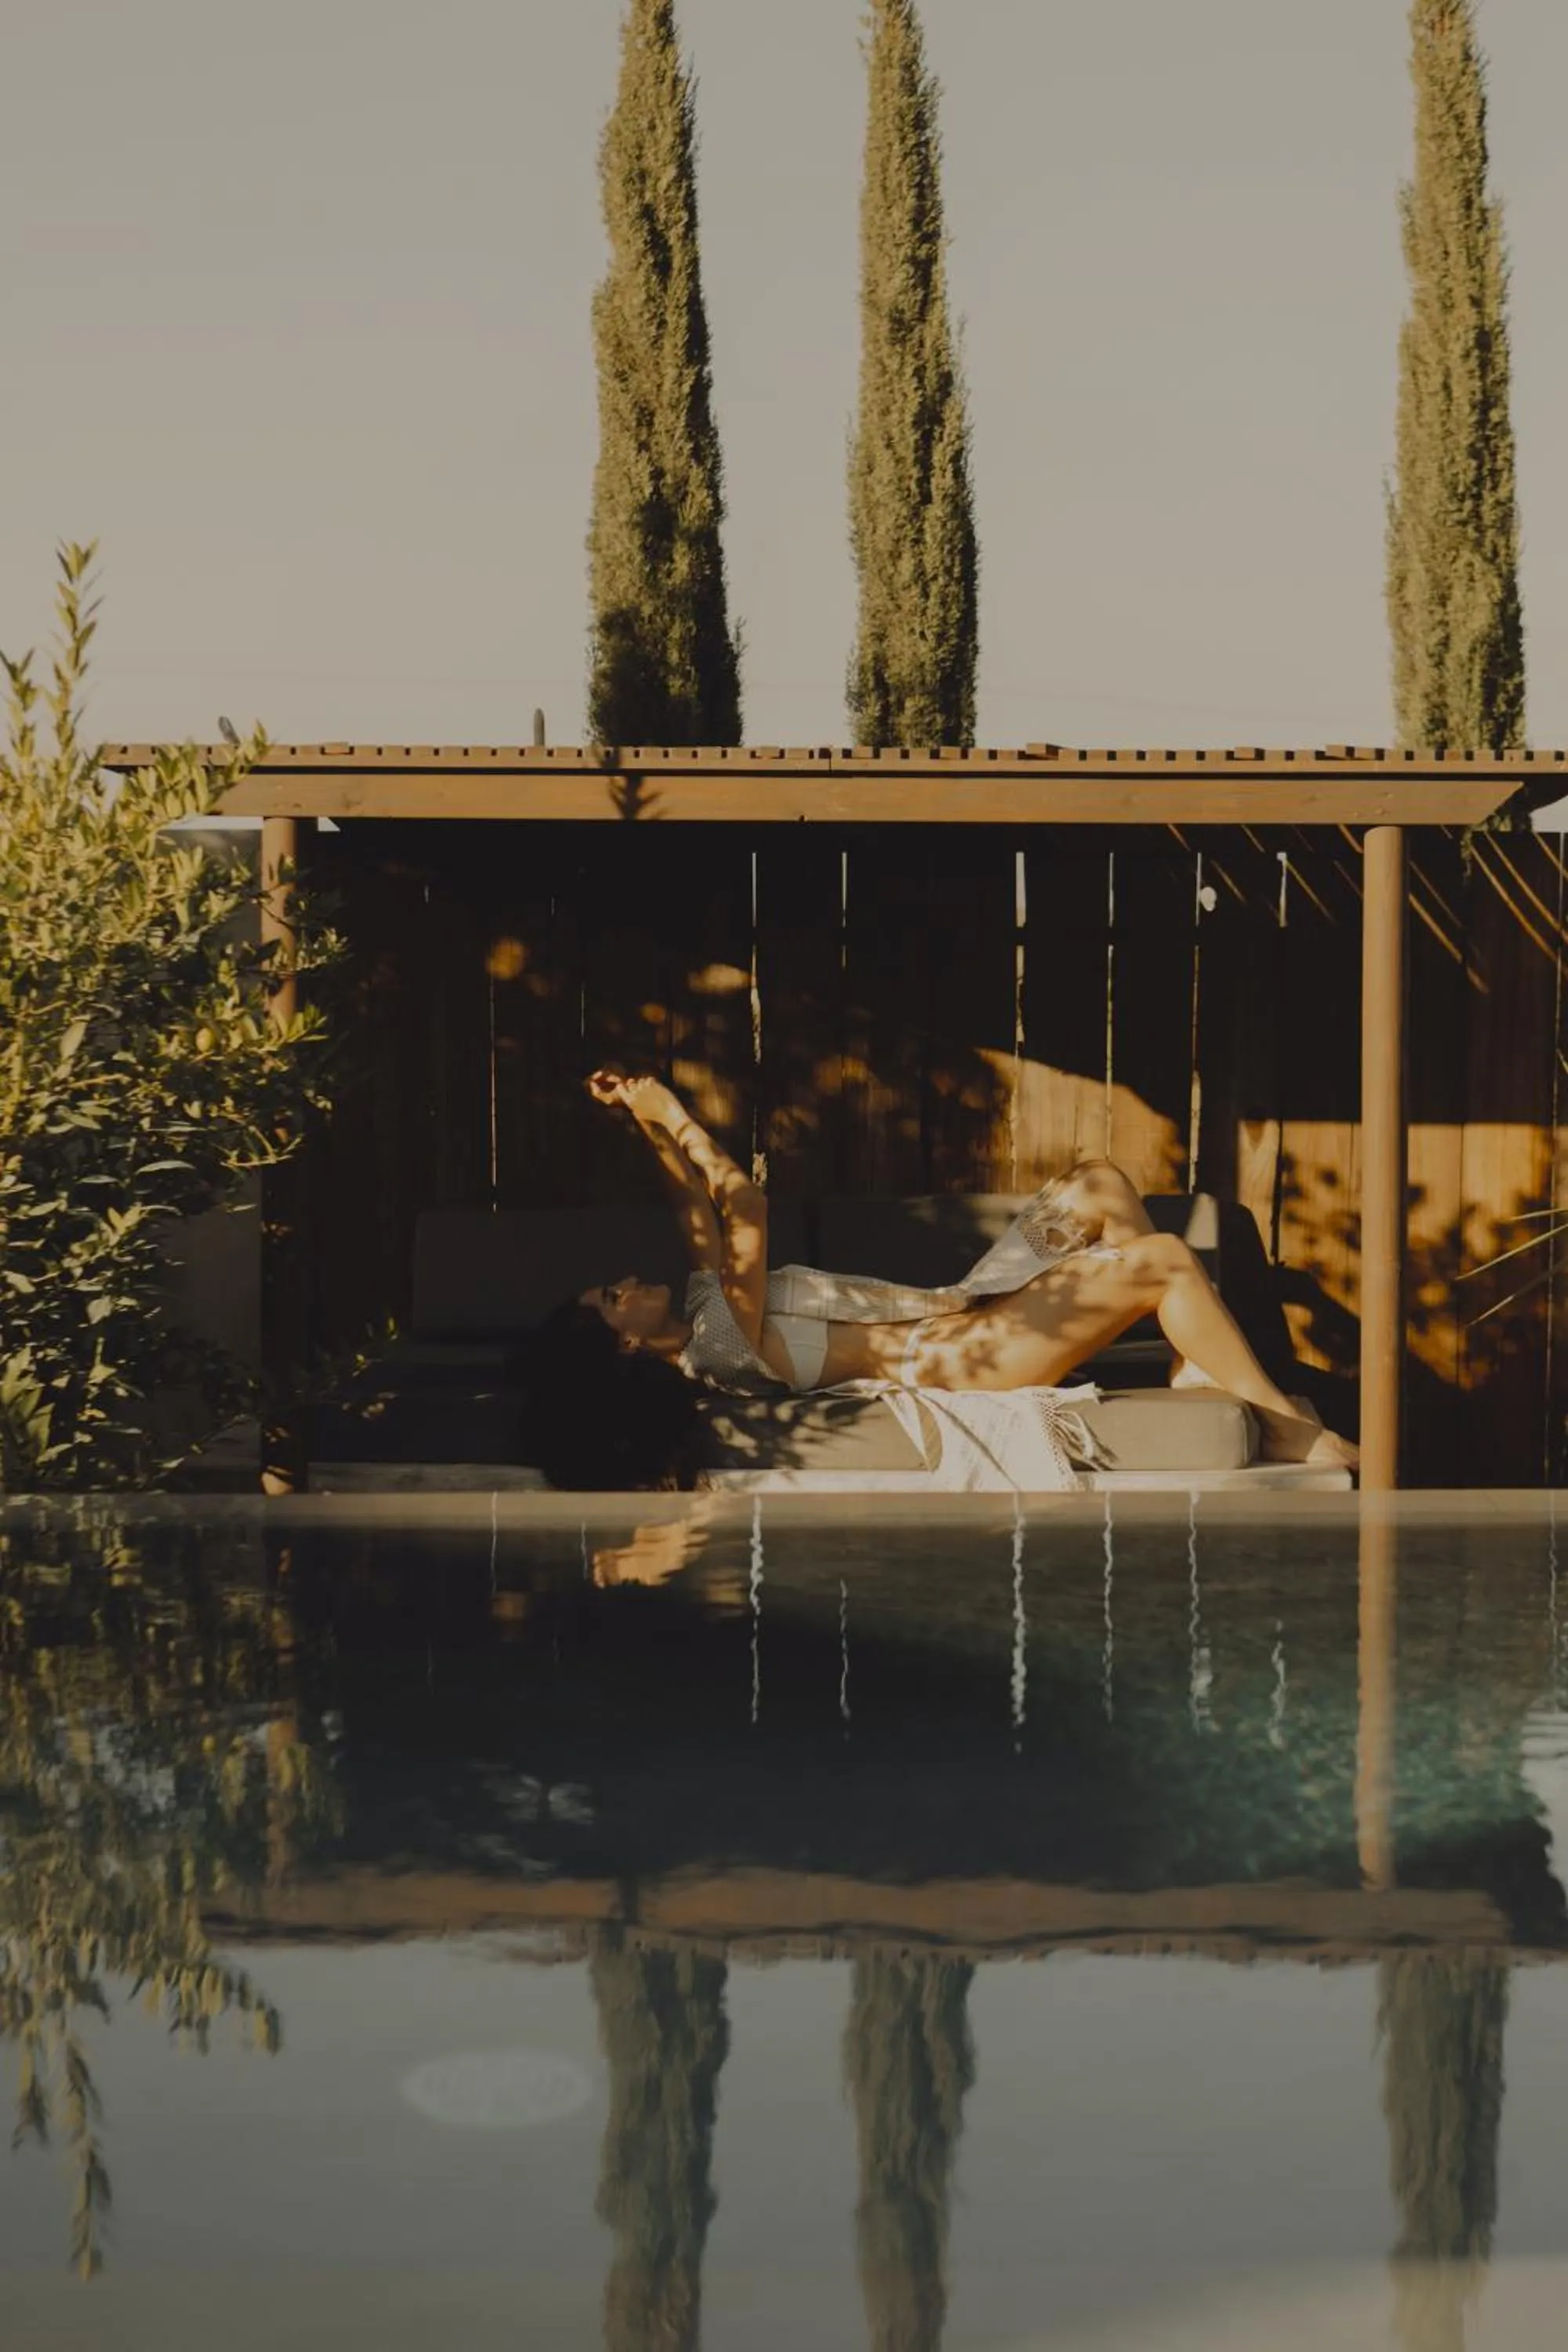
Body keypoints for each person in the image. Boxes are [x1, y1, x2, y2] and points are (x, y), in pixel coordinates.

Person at [532, 1069, 1359, 1487]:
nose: (627, 1281)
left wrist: (646, 1124)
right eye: (612, 1298)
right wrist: (674, 1109)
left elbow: (697, 1210)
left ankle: (1188, 1372)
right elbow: (742, 1202)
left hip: (960, 1317)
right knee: (1164, 1261)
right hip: (972, 1363)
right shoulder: (712, 1351)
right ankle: (1274, 1421)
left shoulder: (705, 1307)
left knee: (1098, 1184)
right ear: (628, 1345)